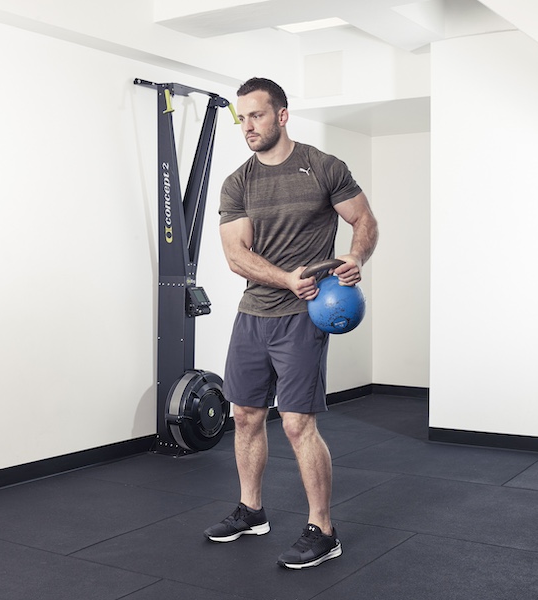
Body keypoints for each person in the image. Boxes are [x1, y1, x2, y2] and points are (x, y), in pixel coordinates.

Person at [203, 77, 378, 569]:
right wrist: (285, 278)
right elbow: (236, 255)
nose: (247, 126)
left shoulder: (323, 167)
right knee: (244, 416)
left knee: (299, 424)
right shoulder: (239, 181)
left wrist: (356, 255)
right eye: (241, 118)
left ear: (282, 115)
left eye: (256, 115)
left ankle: (323, 529)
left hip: (304, 317)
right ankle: (251, 510)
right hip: (254, 313)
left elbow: (364, 219)